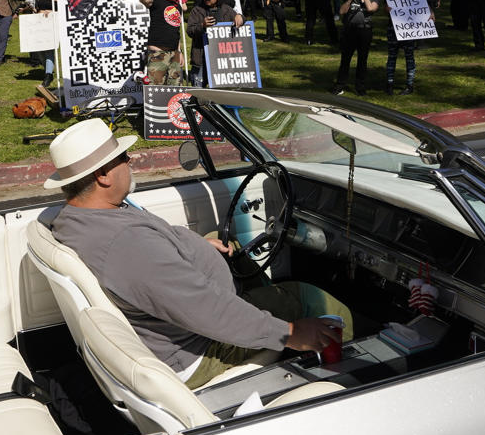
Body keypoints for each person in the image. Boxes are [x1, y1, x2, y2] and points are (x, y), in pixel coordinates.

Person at [46, 119, 353, 389]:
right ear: (103, 175)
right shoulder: (127, 244)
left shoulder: (77, 220)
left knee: (220, 238)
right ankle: (354, 378)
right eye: (123, 157)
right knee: (311, 301)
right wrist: (289, 332)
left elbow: (153, 267)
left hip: (184, 319)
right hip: (199, 347)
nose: (131, 160)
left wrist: (196, 247)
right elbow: (208, 310)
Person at [187, 0, 244, 86]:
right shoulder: (197, 10)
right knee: (198, 94)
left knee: (220, 94)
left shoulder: (226, 9)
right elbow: (190, 31)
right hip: (201, 59)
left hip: (221, 61)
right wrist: (202, 26)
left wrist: (240, 16)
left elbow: (240, 20)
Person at [383, 0, 429, 95]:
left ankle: (409, 84)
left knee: (409, 57)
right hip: (393, 27)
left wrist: (430, 13)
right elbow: (385, 8)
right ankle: (390, 83)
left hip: (409, 29)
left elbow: (423, 6)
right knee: (392, 56)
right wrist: (387, 9)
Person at [333, 0, 379, 96]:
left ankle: (360, 87)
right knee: (345, 59)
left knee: (362, 60)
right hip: (350, 31)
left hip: (365, 31)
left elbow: (370, 9)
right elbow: (342, 12)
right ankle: (339, 85)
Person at [139, 0, 185, 85]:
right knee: (156, 93)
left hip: (174, 55)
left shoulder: (178, 6)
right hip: (158, 54)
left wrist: (179, 53)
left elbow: (176, 30)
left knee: (175, 92)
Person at [36, 0, 58, 87]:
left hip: (51, 24)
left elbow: (61, 12)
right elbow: (37, 8)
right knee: (39, 50)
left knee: (49, 50)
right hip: (40, 24)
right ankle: (47, 70)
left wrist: (51, 13)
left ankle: (48, 75)